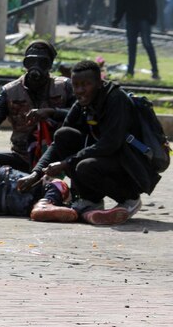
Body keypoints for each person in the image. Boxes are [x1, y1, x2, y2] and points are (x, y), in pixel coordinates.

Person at [17, 60, 161, 226]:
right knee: (64, 135)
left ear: (99, 83)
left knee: (84, 166)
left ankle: (129, 199)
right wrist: (36, 173)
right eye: (76, 85)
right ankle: (91, 200)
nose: (79, 91)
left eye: (85, 85)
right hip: (107, 157)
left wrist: (65, 164)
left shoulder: (116, 99)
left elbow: (110, 144)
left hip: (131, 164)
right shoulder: (82, 103)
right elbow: (58, 143)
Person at [0, 40, 75, 173]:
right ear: (25, 63)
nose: (36, 66)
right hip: (22, 155)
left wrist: (52, 112)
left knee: (81, 166)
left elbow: (78, 113)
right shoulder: (9, 90)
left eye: (43, 62)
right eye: (31, 62)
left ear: (50, 65)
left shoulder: (64, 86)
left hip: (57, 156)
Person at [112, 0, 160, 80]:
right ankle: (130, 71)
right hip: (131, 16)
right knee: (131, 45)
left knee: (147, 43)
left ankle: (155, 71)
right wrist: (117, 17)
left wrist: (153, 15)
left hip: (143, 15)